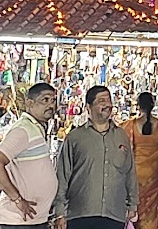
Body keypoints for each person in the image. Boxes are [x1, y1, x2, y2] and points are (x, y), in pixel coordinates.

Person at [54, 85, 139, 229]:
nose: (107, 104)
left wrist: (133, 203)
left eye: (108, 100)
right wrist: (60, 212)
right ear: (89, 106)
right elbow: (62, 175)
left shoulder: (121, 136)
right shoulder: (75, 138)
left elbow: (129, 171)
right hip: (81, 214)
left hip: (114, 213)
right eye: (101, 101)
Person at [0, 82, 58, 229]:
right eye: (45, 100)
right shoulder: (23, 130)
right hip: (18, 221)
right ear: (30, 103)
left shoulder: (36, 128)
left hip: (33, 220)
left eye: (53, 100)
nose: (51, 105)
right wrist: (18, 200)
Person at [126, 93, 158, 229]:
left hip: (136, 175)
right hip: (153, 174)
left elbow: (127, 151)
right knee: (151, 211)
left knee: (135, 208)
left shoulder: (130, 125)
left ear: (138, 106)